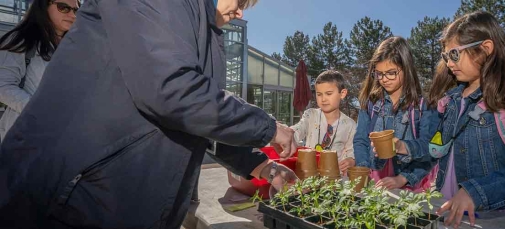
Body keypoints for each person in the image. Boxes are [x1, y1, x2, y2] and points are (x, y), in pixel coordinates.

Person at [0, 0, 298, 228]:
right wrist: (267, 126)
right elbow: (173, 91)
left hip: (112, 201)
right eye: (242, 1)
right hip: (70, 198)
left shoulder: (195, 29)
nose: (241, 13)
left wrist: (260, 165)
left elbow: (195, 121)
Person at [401, 11, 505, 229]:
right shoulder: (450, 100)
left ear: (486, 49)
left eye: (454, 54)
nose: (448, 64)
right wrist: (404, 147)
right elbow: (436, 148)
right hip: (447, 212)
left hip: (490, 217)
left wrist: (476, 192)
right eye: (445, 57)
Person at [353, 36, 436, 190]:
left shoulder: (423, 106)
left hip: (408, 184)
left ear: (406, 68)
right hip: (374, 178)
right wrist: (363, 169)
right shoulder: (370, 103)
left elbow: (430, 150)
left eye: (391, 73)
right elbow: (361, 140)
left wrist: (403, 178)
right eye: (379, 74)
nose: (384, 79)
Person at [0, 0, 80, 141]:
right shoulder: (21, 39)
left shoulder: (75, 46)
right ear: (44, 6)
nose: (72, 15)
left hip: (62, 135)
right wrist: (40, 111)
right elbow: (3, 86)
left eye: (76, 10)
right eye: (64, 8)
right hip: (25, 136)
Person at [290, 70, 356, 175]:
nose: (323, 99)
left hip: (334, 178)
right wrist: (288, 133)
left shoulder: (350, 124)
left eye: (329, 94)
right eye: (319, 94)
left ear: (342, 93)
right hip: (308, 176)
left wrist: (351, 160)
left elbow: (351, 150)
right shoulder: (311, 115)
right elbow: (298, 129)